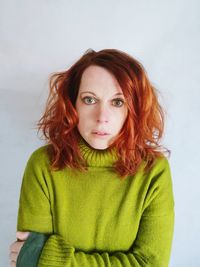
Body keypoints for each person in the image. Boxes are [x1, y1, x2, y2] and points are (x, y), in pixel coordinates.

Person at [9, 48, 175, 267]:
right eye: (89, 99)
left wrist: (53, 261)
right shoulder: (43, 164)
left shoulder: (153, 171)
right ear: (72, 104)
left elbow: (151, 264)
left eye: (117, 102)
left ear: (132, 108)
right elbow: (29, 259)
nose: (101, 118)